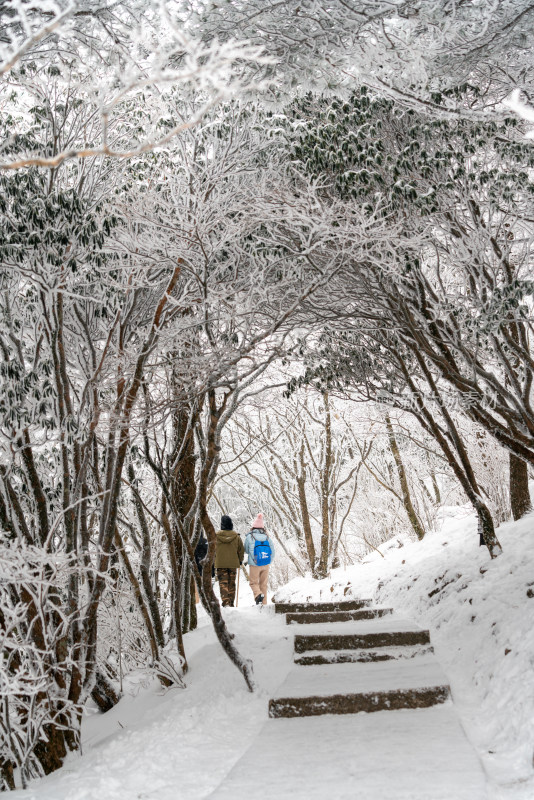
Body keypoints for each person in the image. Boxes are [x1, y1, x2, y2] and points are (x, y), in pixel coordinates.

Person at [244, 513, 275, 605]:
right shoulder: (267, 537)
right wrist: (268, 561)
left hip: (254, 564)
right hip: (266, 564)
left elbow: (245, 550)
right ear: (262, 528)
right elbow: (272, 552)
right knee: (263, 585)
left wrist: (253, 559)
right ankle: (264, 604)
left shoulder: (249, 537)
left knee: (253, 583)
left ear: (253, 527)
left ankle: (258, 595)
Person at [215, 515, 244, 607]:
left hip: (220, 563)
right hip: (232, 563)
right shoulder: (236, 537)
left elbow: (212, 550)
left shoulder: (215, 536)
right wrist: (240, 560)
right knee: (231, 583)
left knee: (223, 583)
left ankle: (225, 602)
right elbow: (241, 550)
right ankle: (231, 603)